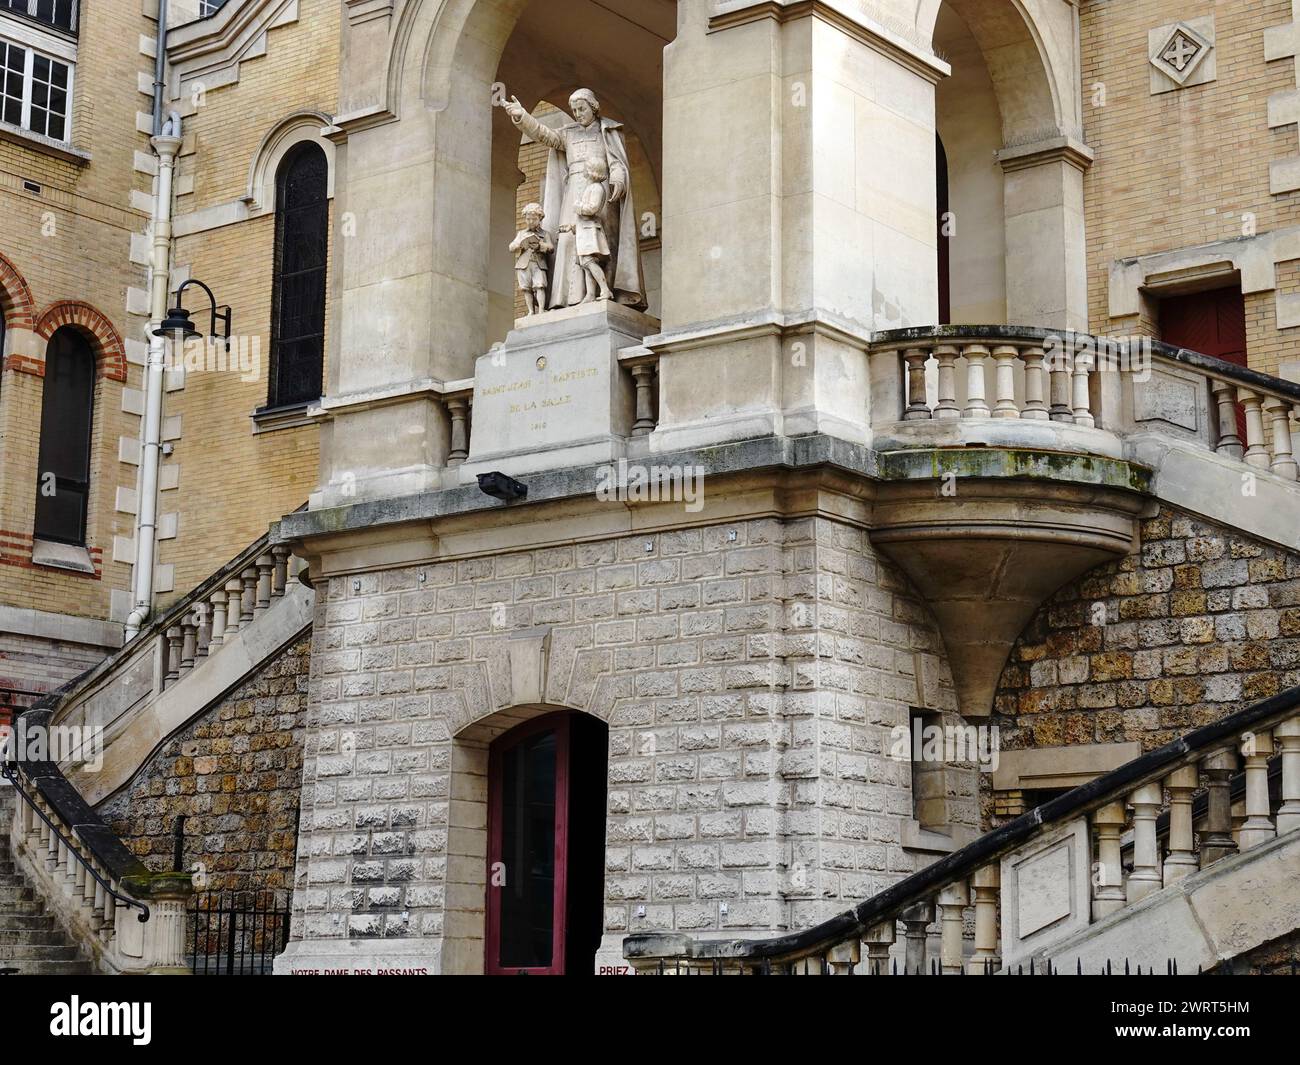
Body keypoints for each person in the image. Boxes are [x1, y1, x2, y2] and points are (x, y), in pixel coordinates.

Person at [502, 88, 645, 310]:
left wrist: (617, 179)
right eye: (575, 110)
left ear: (593, 108)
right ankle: (571, 298)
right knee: (568, 239)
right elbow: (543, 134)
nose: (578, 114)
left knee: (599, 245)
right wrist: (522, 117)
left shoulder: (608, 132)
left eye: (582, 109)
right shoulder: (568, 133)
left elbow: (617, 162)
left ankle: (602, 292)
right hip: (573, 192)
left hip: (600, 191)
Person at [509, 202, 554, 316]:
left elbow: (551, 247)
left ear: (540, 218)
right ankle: (530, 311)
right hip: (524, 264)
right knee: (526, 288)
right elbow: (511, 247)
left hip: (538, 263)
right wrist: (520, 244)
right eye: (528, 219)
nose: (530, 222)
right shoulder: (521, 233)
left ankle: (542, 309)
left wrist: (540, 245)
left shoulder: (545, 234)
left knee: (540, 285)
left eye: (533, 219)